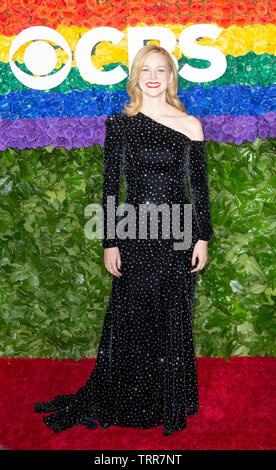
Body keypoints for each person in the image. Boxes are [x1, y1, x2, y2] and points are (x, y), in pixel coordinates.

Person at [34, 44, 214, 438]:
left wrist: (203, 237)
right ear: (135, 76)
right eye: (145, 69)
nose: (153, 76)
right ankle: (128, 399)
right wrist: (109, 241)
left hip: (178, 231)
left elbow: (198, 188)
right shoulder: (120, 124)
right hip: (133, 230)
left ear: (171, 77)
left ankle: (170, 398)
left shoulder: (191, 125)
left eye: (161, 70)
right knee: (133, 314)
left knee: (172, 313)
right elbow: (110, 186)